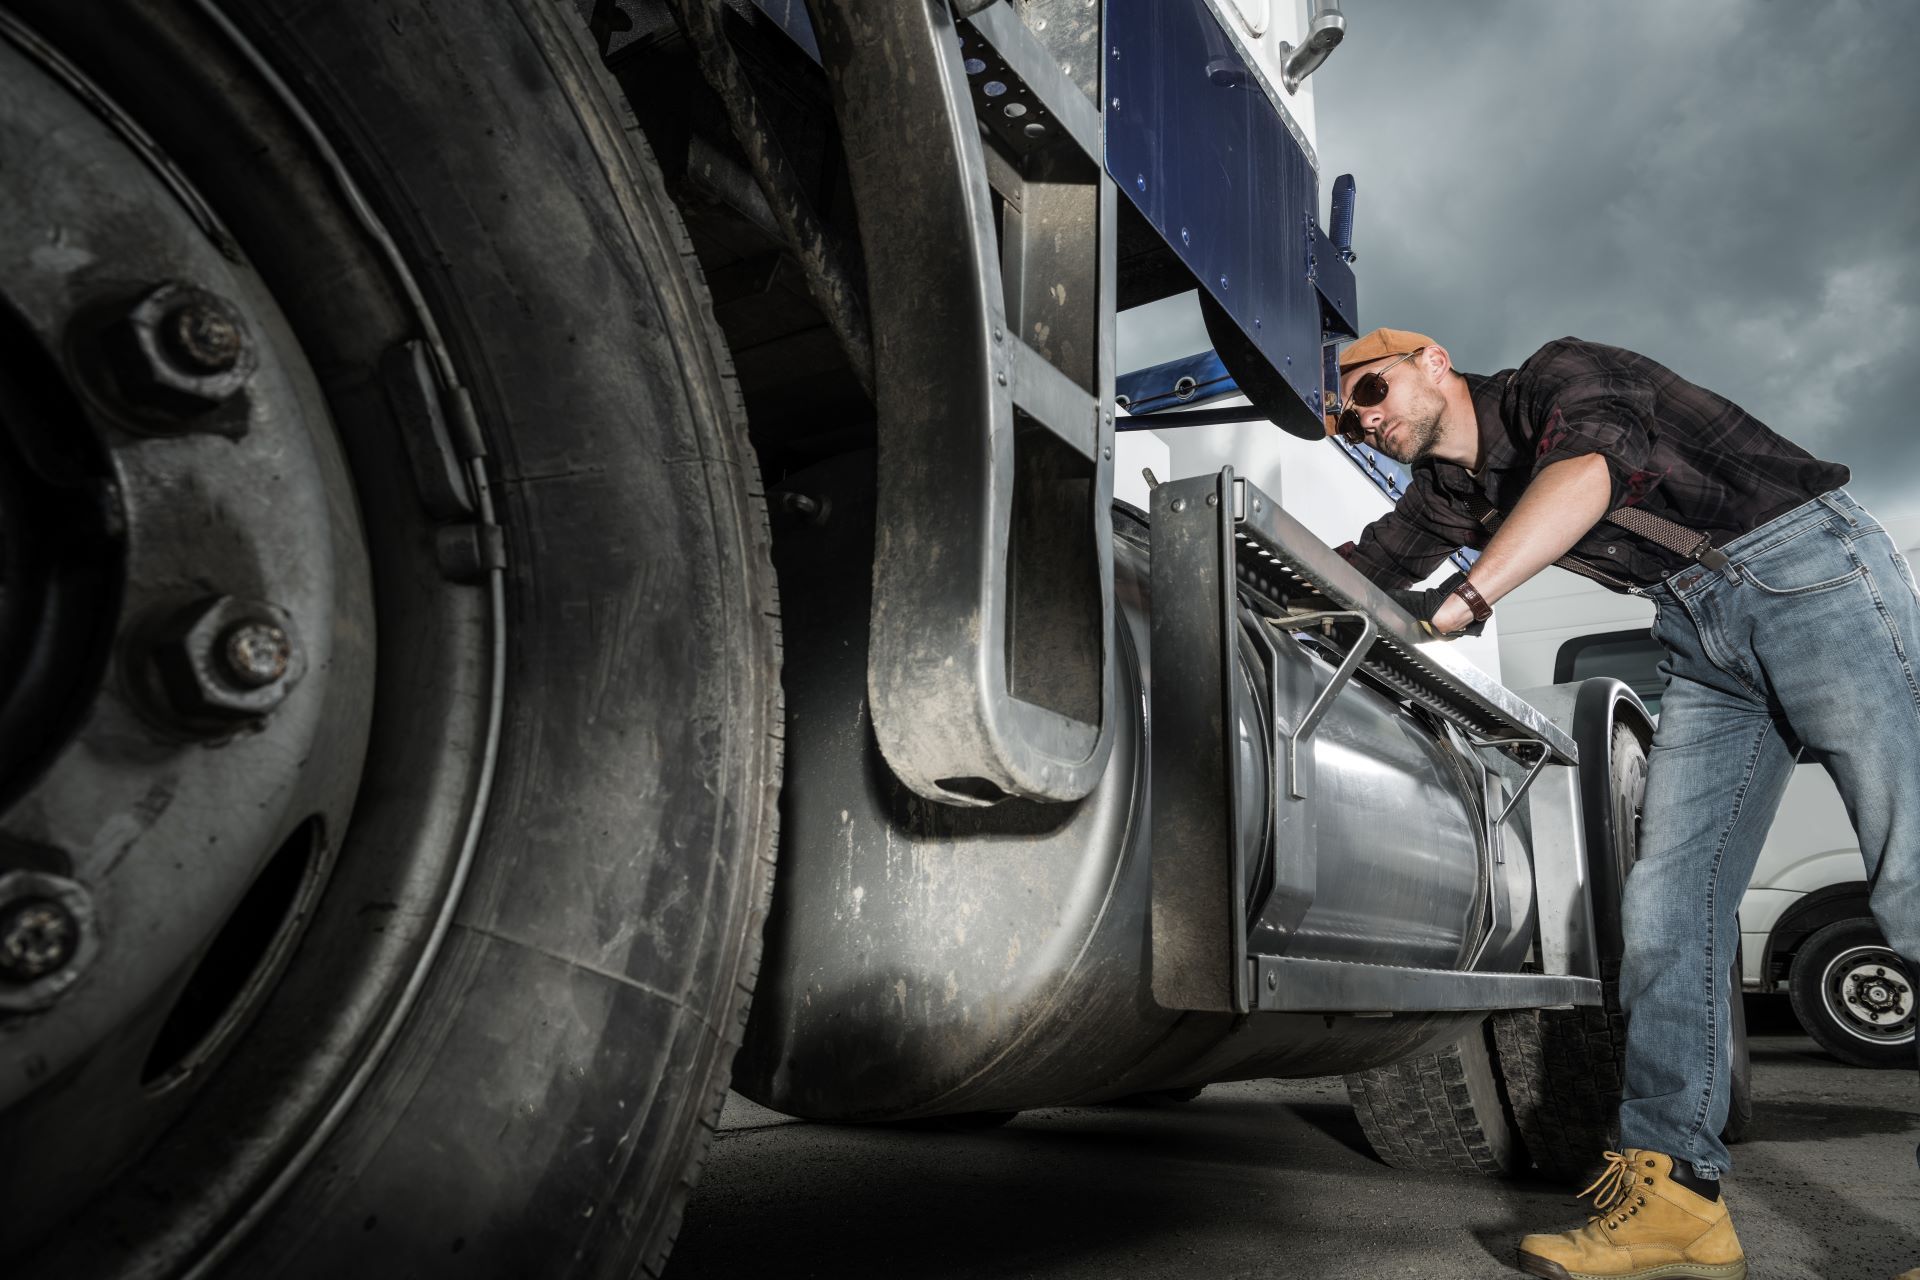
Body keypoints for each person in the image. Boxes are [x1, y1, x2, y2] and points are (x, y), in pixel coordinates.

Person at [1326, 327, 1920, 1280]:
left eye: (1369, 391)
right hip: (1697, 630)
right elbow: (1359, 570)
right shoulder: (1447, 493)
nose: (1364, 420)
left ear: (1431, 360)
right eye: (1342, 416)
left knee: (1911, 876)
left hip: (1808, 573)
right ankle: (1679, 1204)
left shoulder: (1557, 377)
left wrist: (1464, 603)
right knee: (1666, 912)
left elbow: (1589, 470)